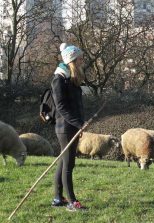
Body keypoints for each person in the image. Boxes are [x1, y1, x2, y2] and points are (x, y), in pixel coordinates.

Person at [51, 43, 85, 212]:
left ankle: (58, 198)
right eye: (79, 57)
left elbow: (75, 104)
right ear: (72, 59)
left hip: (72, 126)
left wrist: (81, 122)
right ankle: (72, 202)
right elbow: (61, 107)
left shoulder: (71, 77)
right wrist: (79, 123)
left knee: (63, 163)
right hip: (64, 127)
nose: (82, 60)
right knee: (69, 165)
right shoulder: (59, 79)